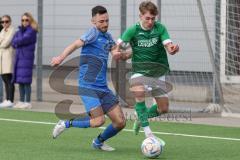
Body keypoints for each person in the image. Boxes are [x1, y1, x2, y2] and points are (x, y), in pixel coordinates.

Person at [51, 6, 126, 151]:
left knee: (120, 122)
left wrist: (122, 54)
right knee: (98, 121)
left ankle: (98, 142)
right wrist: (60, 58)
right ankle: (65, 124)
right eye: (101, 21)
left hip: (102, 88)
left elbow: (116, 52)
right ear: (93, 21)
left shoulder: (108, 37)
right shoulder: (92, 34)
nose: (105, 24)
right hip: (88, 86)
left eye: (107, 21)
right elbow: (75, 44)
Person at [117, 1, 179, 140]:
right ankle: (148, 134)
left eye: (153, 18)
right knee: (139, 92)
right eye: (147, 18)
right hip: (140, 71)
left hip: (158, 72)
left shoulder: (160, 29)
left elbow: (168, 46)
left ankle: (141, 118)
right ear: (140, 16)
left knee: (163, 109)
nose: (150, 21)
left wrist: (173, 50)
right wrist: (117, 53)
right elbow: (118, 47)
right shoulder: (132, 30)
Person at [11, 12, 38, 109]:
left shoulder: (32, 31)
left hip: (26, 59)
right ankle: (21, 100)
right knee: (20, 81)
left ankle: (28, 102)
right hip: (19, 59)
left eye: (26, 20)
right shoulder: (19, 31)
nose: (24, 22)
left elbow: (22, 40)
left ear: (30, 20)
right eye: (22, 20)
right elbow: (13, 42)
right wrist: (17, 41)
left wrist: (17, 41)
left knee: (26, 81)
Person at [0, 15, 15, 107]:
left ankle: (11, 100)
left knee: (9, 79)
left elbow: (6, 43)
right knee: (5, 79)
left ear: (10, 22)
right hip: (2, 58)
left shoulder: (12, 31)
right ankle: (7, 99)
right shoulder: (2, 31)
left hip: (8, 57)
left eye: (6, 21)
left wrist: (2, 41)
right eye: (3, 22)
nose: (4, 23)